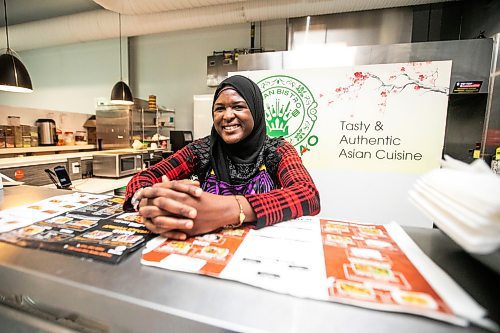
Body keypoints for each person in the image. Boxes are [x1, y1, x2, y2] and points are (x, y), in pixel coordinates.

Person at [124, 75, 320, 240]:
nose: (227, 116)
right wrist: (149, 203)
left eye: (238, 106)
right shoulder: (201, 149)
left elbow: (308, 195)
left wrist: (229, 210)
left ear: (256, 111)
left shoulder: (277, 150)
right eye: (219, 109)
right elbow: (144, 177)